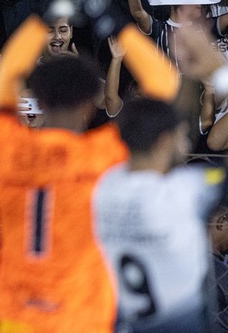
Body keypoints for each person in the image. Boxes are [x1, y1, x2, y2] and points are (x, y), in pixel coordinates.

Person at [0, 0, 181, 332]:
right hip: (82, 314)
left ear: (36, 97)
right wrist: (102, 10)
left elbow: (4, 79)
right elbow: (163, 83)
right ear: (91, 103)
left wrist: (50, 9)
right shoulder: (101, 155)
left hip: (19, 313)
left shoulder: (8, 146)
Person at [94, 80, 228, 333]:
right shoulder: (185, 188)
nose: (186, 145)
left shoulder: (103, 188)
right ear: (165, 141)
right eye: (181, 136)